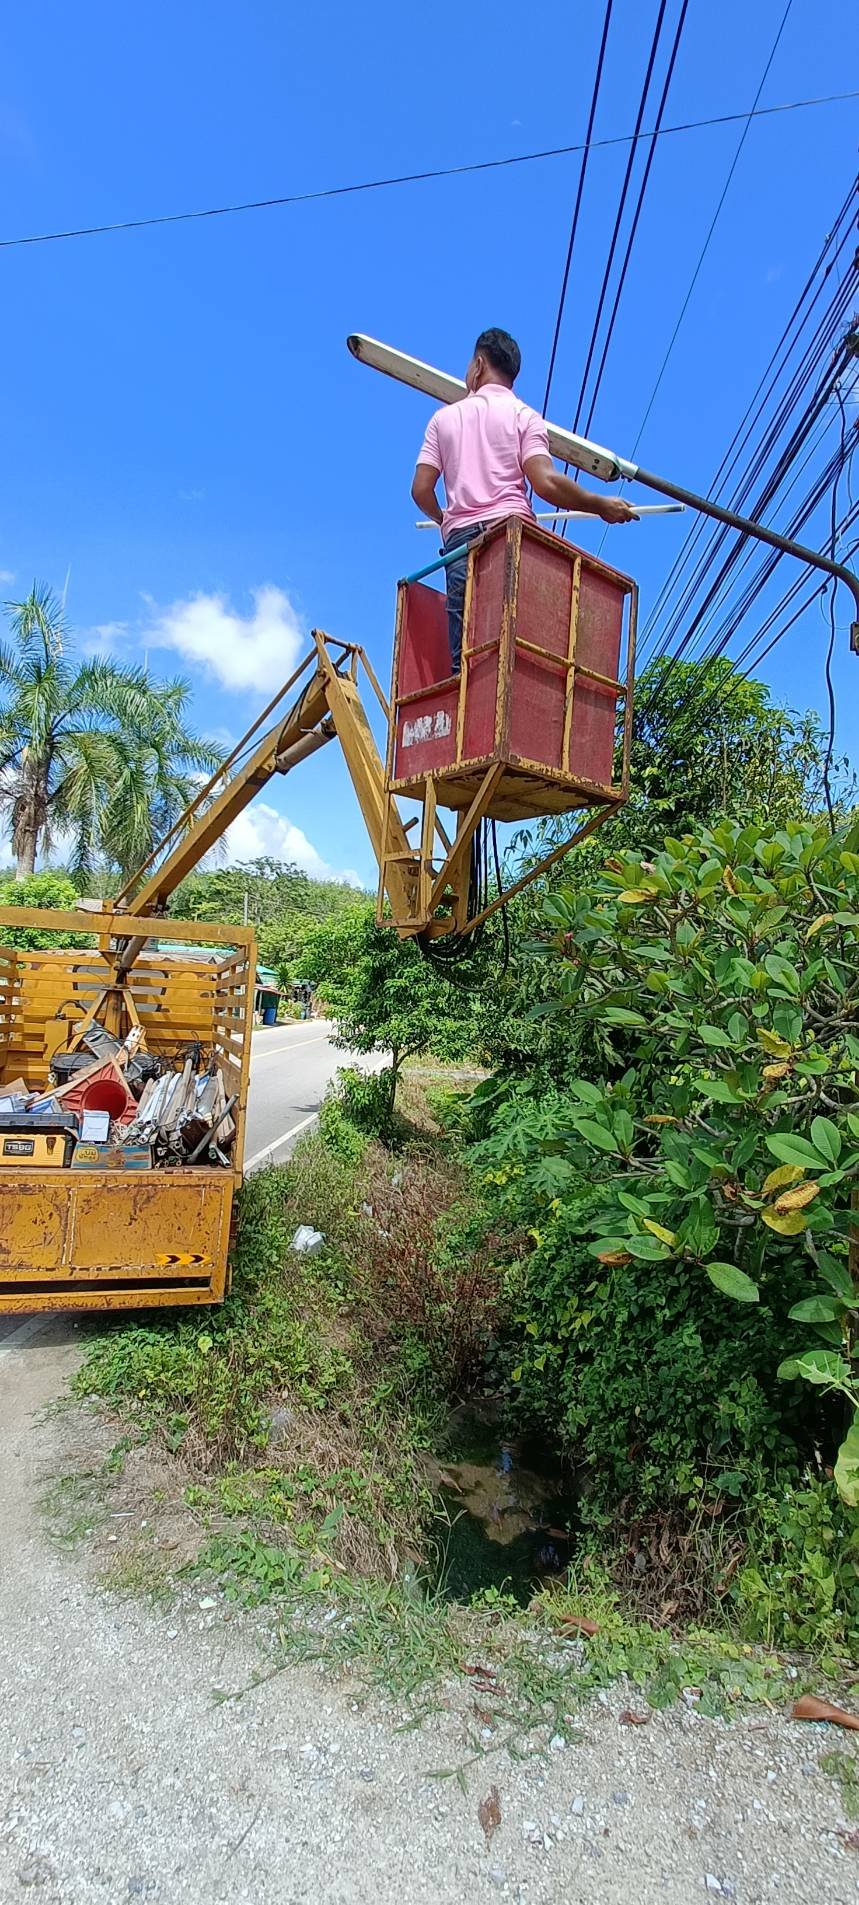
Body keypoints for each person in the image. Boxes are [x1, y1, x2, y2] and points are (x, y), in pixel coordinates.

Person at [411, 327, 638, 674]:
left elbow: (421, 490)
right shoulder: (524, 417)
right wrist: (601, 505)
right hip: (511, 534)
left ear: (479, 364)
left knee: (465, 659)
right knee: (518, 642)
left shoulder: (443, 419)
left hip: (460, 546)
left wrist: (446, 520)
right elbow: (545, 483)